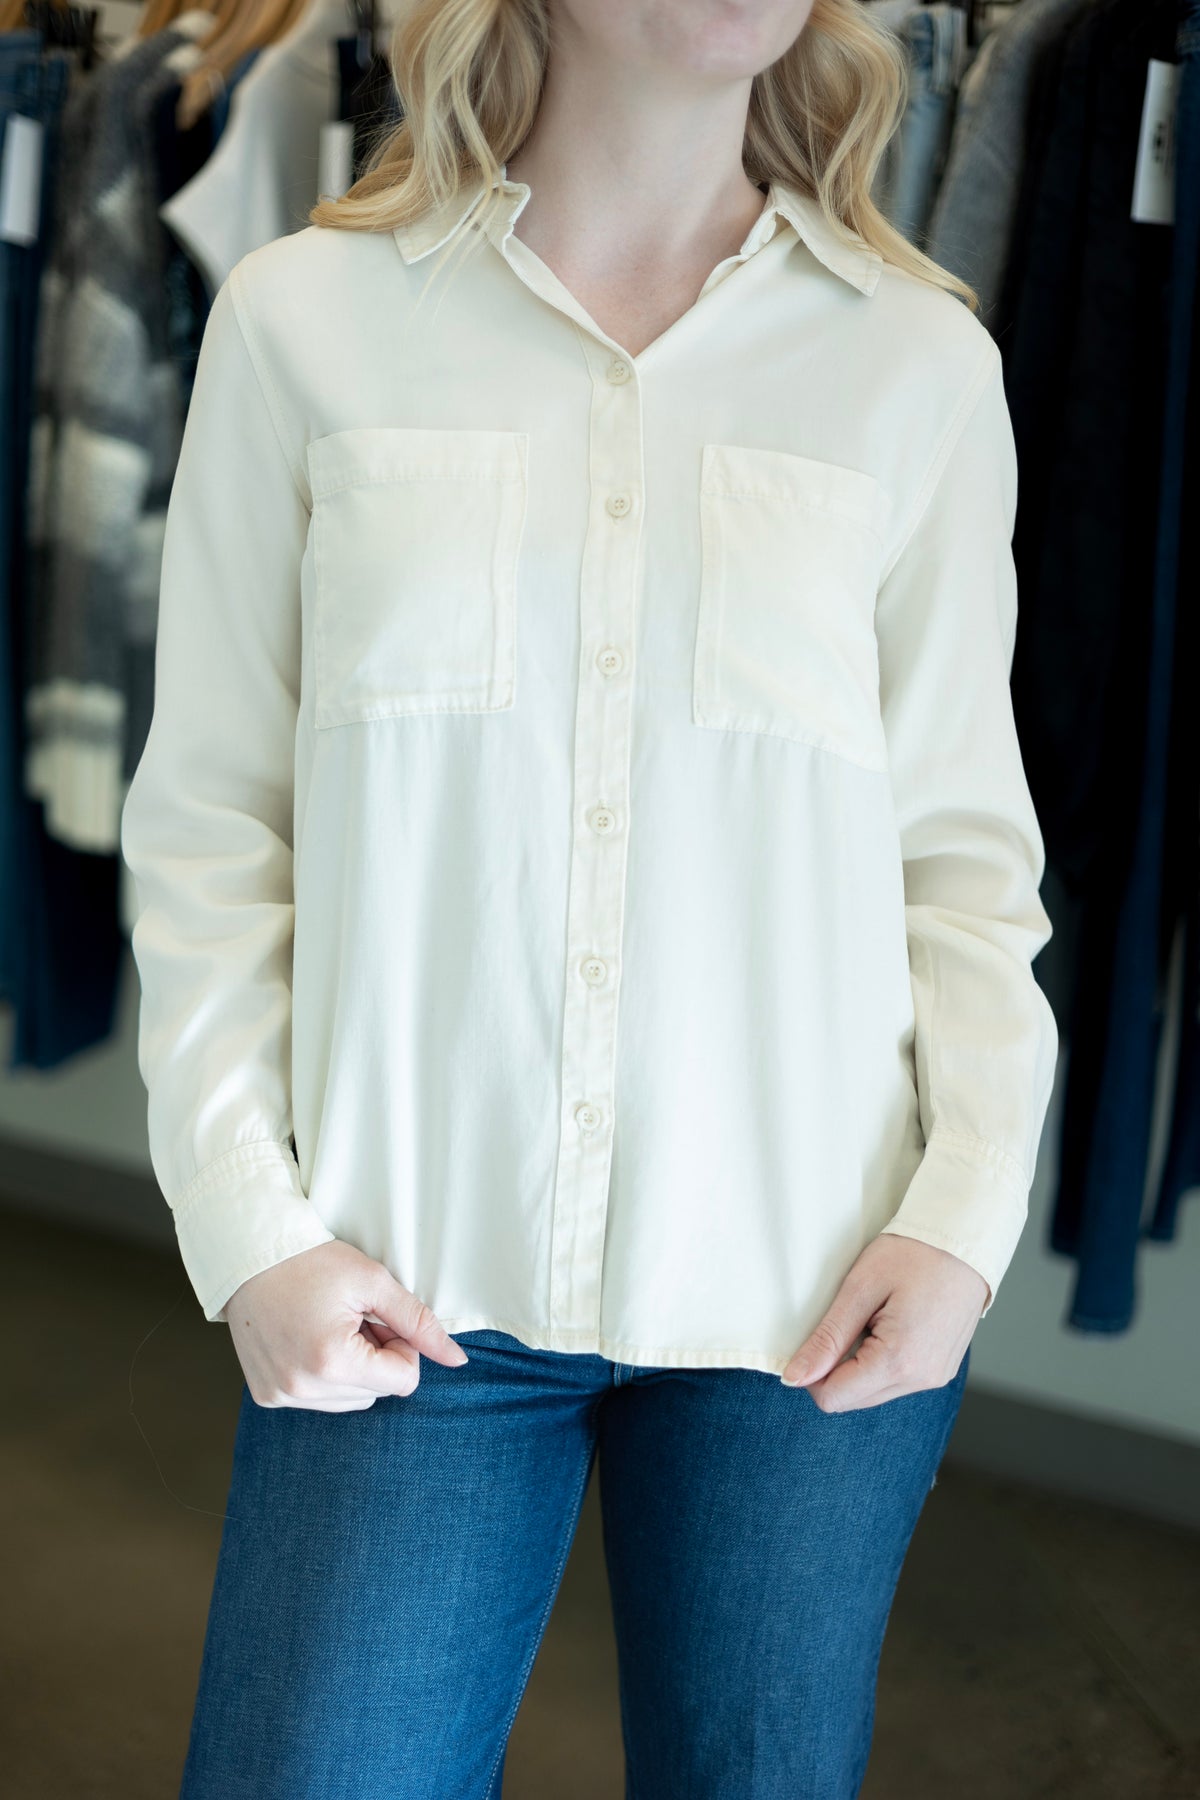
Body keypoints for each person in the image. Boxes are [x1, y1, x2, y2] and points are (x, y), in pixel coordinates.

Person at [119, 0, 1060, 1794]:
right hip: (403, 1288)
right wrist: (254, 1227)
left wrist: (960, 1217)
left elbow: (962, 854)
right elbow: (217, 823)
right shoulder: (305, 323)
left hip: (814, 1292)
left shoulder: (917, 363)